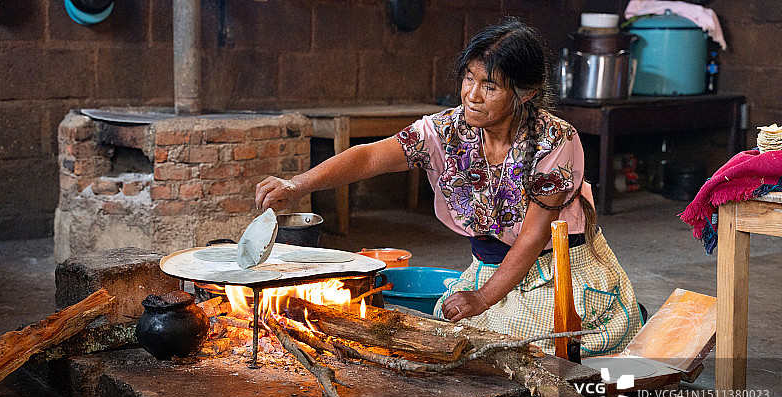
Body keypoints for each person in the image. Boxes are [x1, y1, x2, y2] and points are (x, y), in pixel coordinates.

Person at [256, 17, 643, 356]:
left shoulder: (555, 140)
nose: (471, 95)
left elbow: (533, 238)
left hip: (554, 268)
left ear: (525, 93)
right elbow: (370, 157)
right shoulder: (448, 130)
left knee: (518, 345)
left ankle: (615, 308)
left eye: (489, 86)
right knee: (454, 335)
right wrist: (296, 184)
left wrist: (482, 298)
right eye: (469, 78)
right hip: (491, 265)